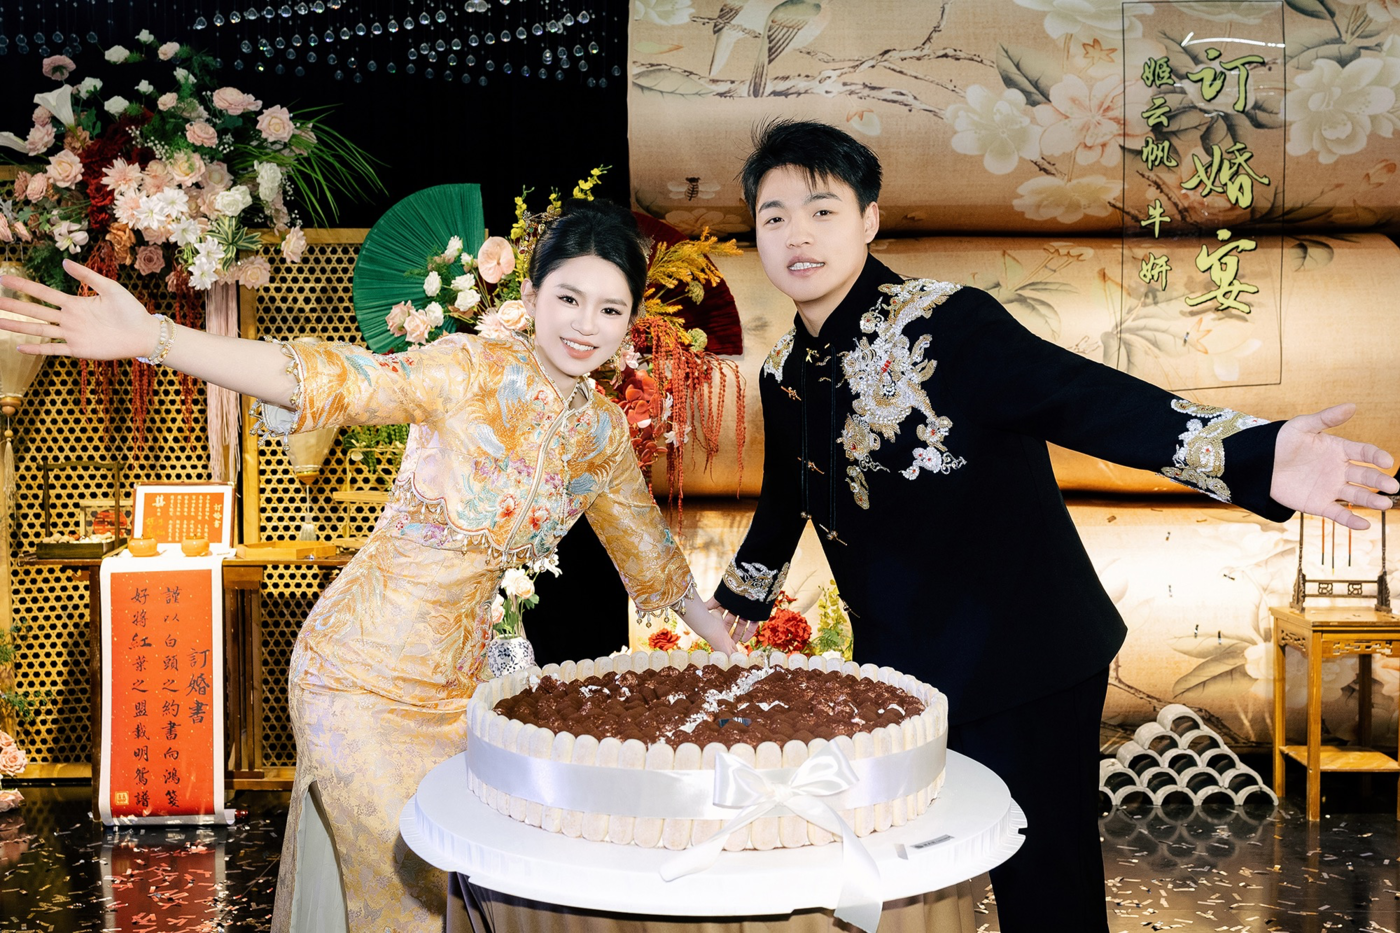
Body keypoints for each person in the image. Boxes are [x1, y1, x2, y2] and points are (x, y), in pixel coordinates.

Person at [705, 120, 1398, 933]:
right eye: (775, 216)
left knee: (1045, 892)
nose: (798, 234)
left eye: (822, 210)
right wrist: (737, 604)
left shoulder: (949, 324)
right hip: (901, 669)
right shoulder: (784, 368)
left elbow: (1085, 399)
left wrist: (1256, 453)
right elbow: (788, 492)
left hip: (1024, 657)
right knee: (905, 880)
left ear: (869, 220)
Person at [0, 198, 740, 933]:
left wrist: (730, 644)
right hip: (357, 676)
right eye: (569, 298)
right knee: (408, 902)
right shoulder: (467, 368)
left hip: (461, 694)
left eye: (610, 309)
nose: (585, 325)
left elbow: (649, 549)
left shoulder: (599, 431)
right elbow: (335, 377)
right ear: (531, 293)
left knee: (465, 892)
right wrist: (156, 337)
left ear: (630, 319)